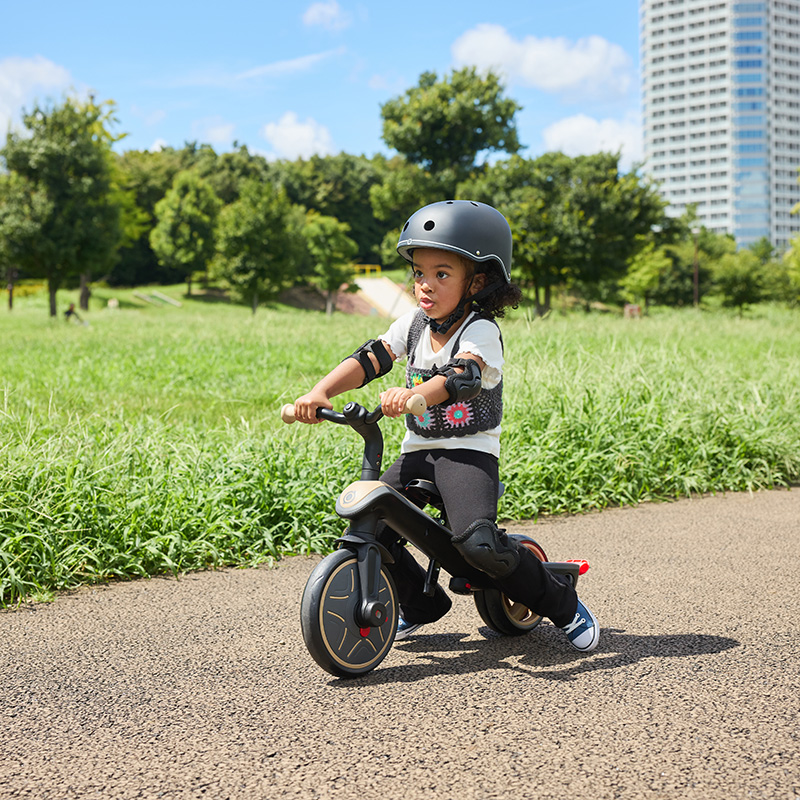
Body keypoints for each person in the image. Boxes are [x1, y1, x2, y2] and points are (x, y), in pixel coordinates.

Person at [292, 200, 599, 652]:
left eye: (441, 274)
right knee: (373, 520)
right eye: (419, 272)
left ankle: (563, 604)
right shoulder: (413, 325)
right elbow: (371, 358)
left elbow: (463, 375)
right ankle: (419, 604)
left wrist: (418, 394)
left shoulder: (480, 331)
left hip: (468, 454)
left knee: (478, 546)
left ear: (478, 281)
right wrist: (320, 392)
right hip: (417, 452)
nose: (425, 284)